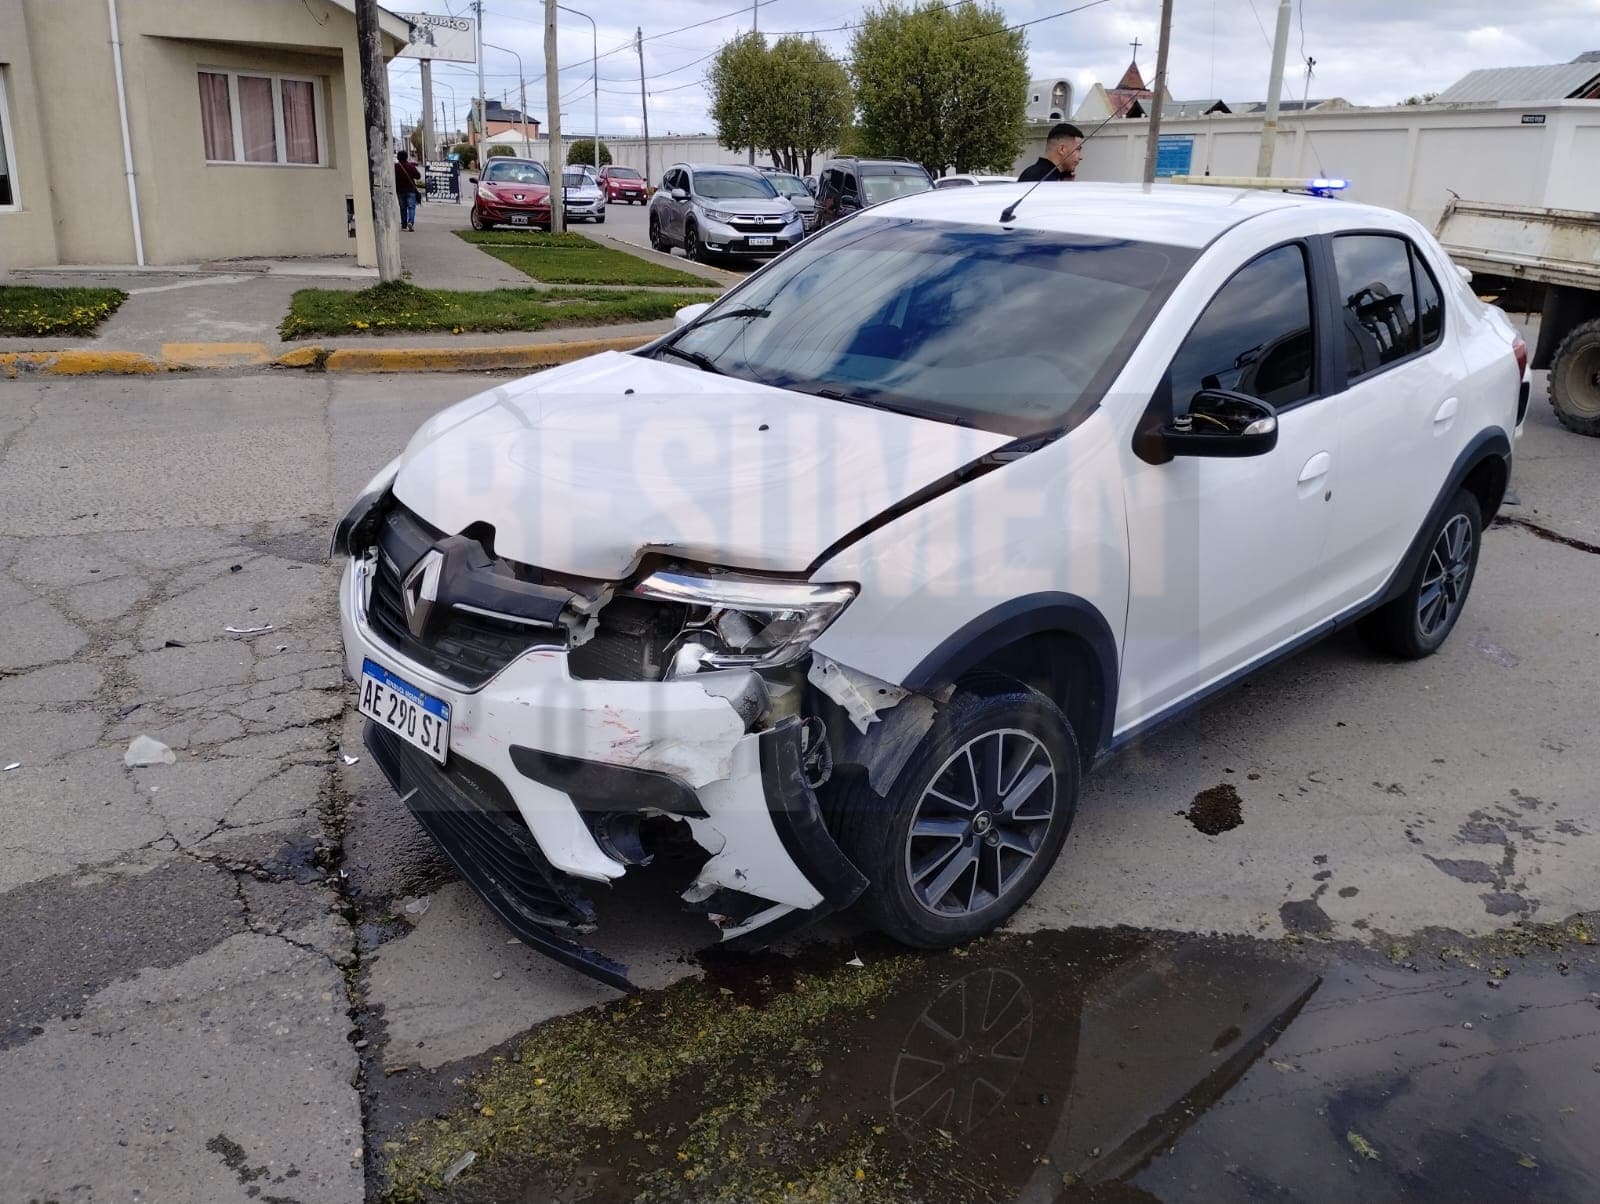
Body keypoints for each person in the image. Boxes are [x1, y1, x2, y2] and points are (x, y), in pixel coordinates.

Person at [1017, 122, 1085, 182]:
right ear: (1062, 149)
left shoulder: (1032, 174)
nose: (1081, 157)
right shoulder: (1046, 181)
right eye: (1078, 149)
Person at [394, 148, 423, 232]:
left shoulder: (395, 167)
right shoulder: (410, 166)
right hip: (411, 190)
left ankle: (403, 225)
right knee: (411, 207)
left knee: (402, 208)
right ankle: (410, 222)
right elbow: (418, 176)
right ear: (406, 157)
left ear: (398, 158)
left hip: (399, 191)